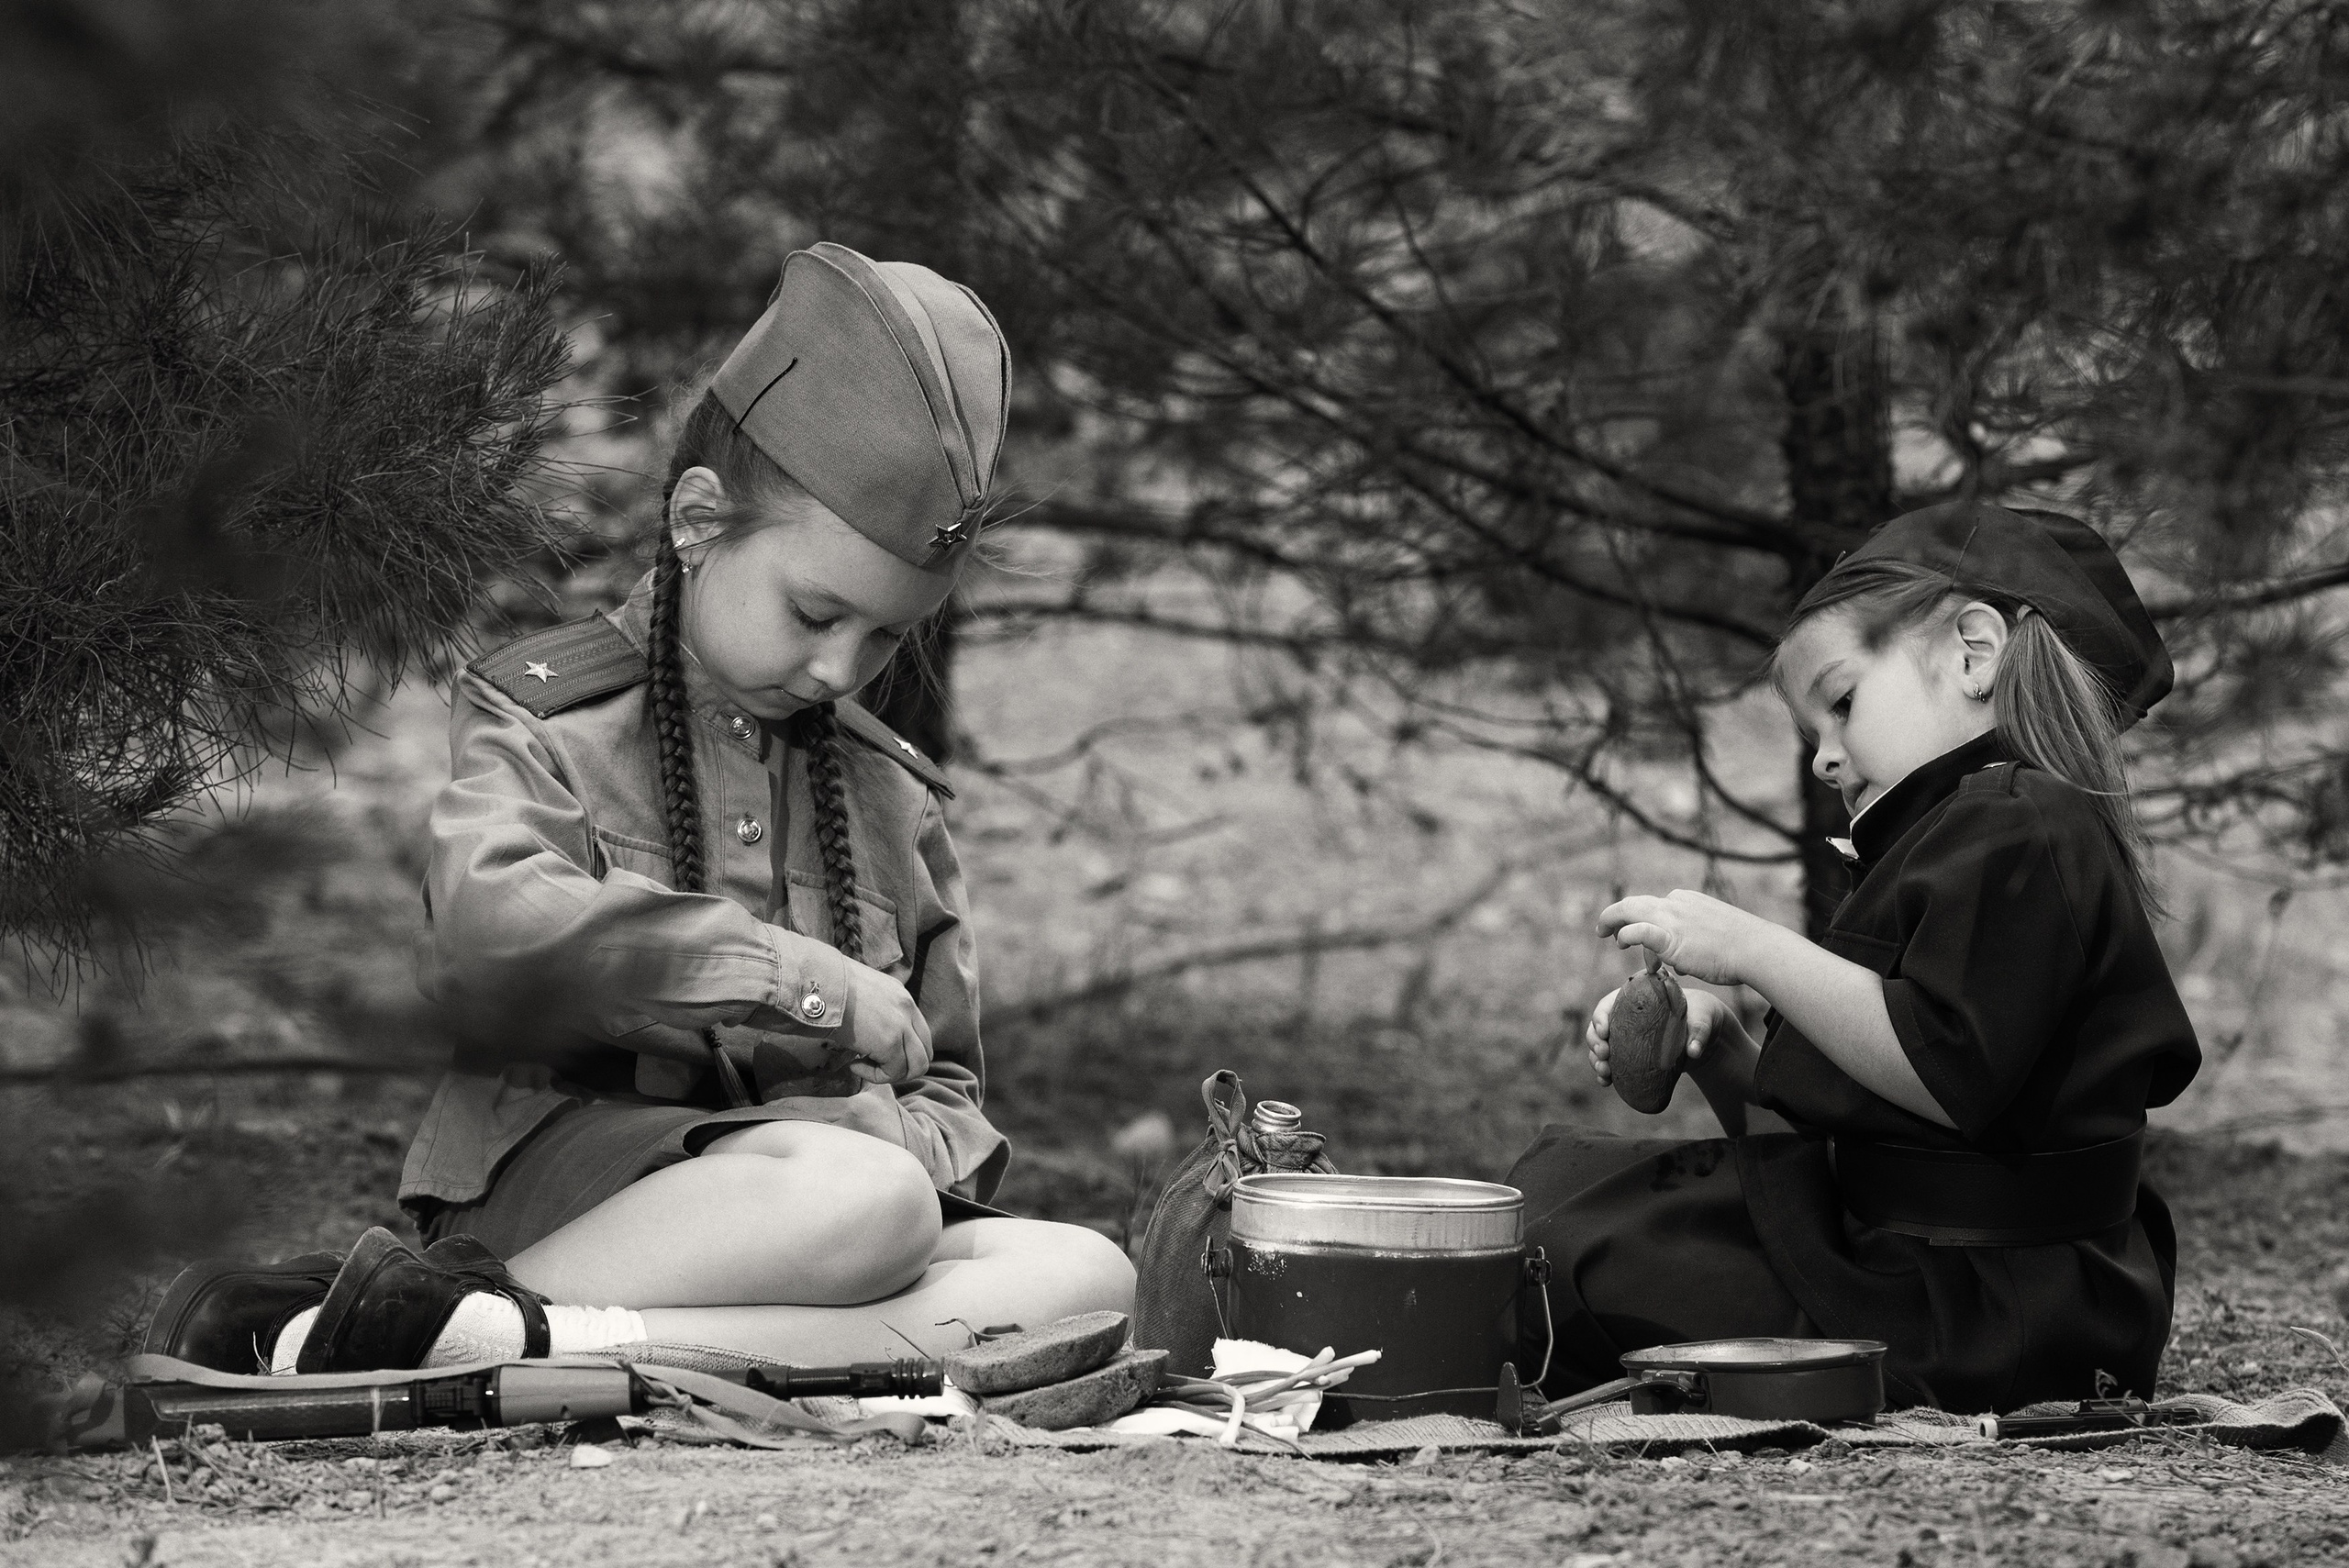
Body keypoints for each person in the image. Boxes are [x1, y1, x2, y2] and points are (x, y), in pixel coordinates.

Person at [145, 242, 1133, 1377]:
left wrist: (886, 1130)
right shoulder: (550, 718)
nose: (837, 668)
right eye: (816, 612)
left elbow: (949, 1085)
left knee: (1084, 1275)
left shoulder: (887, 788)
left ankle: (511, 1344)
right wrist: (798, 982)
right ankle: (522, 1310)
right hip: (587, 1204)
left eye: (885, 638)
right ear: (700, 522)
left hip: (818, 1224)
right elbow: (489, 936)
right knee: (866, 1200)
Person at [1508, 500, 2201, 1414]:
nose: (1826, 761)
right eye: (1813, 738)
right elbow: (1879, 1125)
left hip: (1987, 1310)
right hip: (1925, 1267)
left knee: (1561, 1257)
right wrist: (1719, 1056)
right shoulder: (1969, 831)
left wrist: (1751, 948)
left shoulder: (2021, 827)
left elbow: (1943, 1068)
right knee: (1561, 1191)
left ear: (1973, 652)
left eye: (1841, 704)